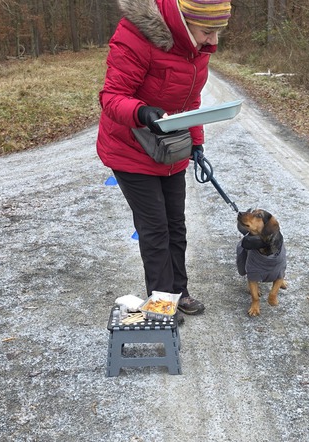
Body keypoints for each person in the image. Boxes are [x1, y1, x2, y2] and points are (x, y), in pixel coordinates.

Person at [96, 0, 232, 316]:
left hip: (171, 148)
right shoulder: (136, 35)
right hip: (131, 146)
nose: (213, 41)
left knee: (176, 225)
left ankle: (178, 292)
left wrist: (196, 143)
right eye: (207, 31)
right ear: (184, 21)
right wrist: (143, 112)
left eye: (218, 32)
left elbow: (191, 100)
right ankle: (161, 304)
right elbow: (111, 97)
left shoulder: (197, 49)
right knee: (155, 229)